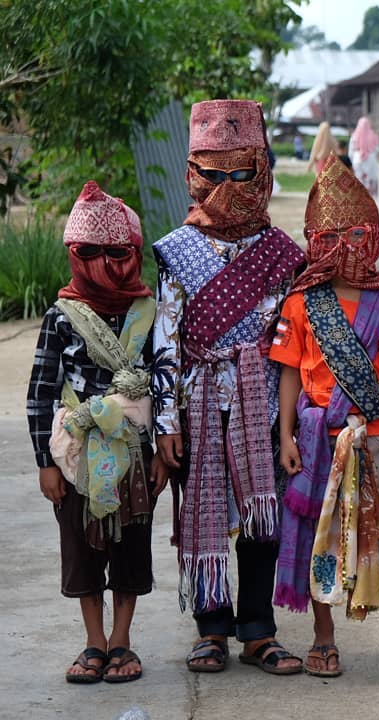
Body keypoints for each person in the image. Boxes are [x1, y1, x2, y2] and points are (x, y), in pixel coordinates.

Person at [151, 99, 306, 676]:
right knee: (206, 512)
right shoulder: (176, 251)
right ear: (192, 173)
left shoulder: (282, 253)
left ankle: (258, 631)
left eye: (241, 174)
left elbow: (292, 340)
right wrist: (165, 422)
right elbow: (165, 340)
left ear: (261, 173)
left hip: (263, 402)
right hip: (197, 402)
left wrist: (290, 422)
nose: (226, 189)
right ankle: (210, 629)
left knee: (263, 518)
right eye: (213, 175)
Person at [271, 153, 379, 676]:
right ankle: (323, 635)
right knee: (321, 535)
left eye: (356, 235)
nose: (344, 248)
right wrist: (286, 435)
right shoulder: (301, 303)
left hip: (378, 439)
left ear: (374, 237)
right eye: (331, 237)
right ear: (314, 242)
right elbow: (289, 374)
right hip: (319, 439)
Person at [28, 181, 162, 684]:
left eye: (117, 253)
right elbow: (41, 392)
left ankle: (121, 640)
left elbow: (165, 385)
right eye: (89, 252)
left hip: (135, 455)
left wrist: (161, 452)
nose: (104, 263)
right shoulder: (61, 317)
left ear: (133, 254)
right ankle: (94, 642)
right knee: (82, 548)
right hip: (74, 458)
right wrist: (45, 462)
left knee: (131, 547)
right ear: (73, 254)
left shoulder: (148, 315)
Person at [349, 116, 379, 198]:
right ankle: (370, 197)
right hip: (371, 158)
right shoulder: (373, 135)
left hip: (357, 158)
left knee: (359, 178)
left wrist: (352, 160)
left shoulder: (354, 136)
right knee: (369, 178)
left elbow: (350, 152)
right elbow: (377, 149)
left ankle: (359, 197)